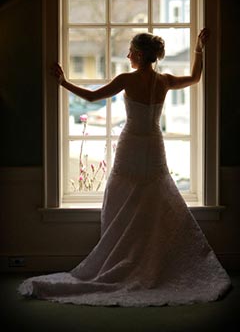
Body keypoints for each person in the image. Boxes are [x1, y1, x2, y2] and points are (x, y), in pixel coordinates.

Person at [18, 28, 231, 307]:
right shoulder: (164, 81)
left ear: (139, 55)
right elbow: (195, 77)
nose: (128, 55)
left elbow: (93, 97)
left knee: (121, 199)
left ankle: (126, 257)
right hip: (153, 144)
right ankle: (148, 259)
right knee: (154, 198)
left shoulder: (127, 80)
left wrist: (64, 83)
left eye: (131, 51)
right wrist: (199, 49)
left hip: (131, 144)